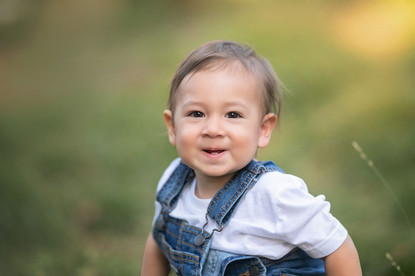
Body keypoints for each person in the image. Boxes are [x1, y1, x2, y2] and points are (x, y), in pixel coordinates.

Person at [141, 40, 362, 276]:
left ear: (263, 129)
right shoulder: (172, 185)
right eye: (197, 113)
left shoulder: (275, 194)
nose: (213, 129)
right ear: (172, 127)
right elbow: (158, 239)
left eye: (233, 115)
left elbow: (338, 246)